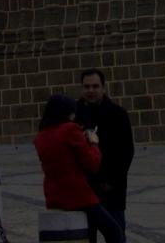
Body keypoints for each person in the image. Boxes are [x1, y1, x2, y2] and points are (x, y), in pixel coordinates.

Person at [34, 94, 124, 243]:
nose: (74, 116)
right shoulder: (70, 129)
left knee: (87, 235)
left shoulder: (40, 137)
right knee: (114, 232)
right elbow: (92, 164)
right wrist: (93, 143)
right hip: (78, 195)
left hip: (54, 196)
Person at [74, 69, 134, 241]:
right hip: (83, 189)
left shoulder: (118, 114)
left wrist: (111, 181)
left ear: (103, 88)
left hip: (111, 191)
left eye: (95, 86)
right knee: (85, 237)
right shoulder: (74, 115)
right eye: (87, 86)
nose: (91, 90)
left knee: (116, 235)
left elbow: (126, 151)